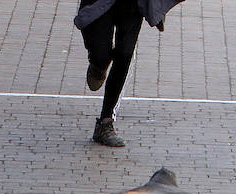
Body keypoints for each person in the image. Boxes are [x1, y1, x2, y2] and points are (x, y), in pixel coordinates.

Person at [74, 0, 185, 147]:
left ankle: (106, 122)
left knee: (125, 54)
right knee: (101, 55)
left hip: (132, 5)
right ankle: (98, 65)